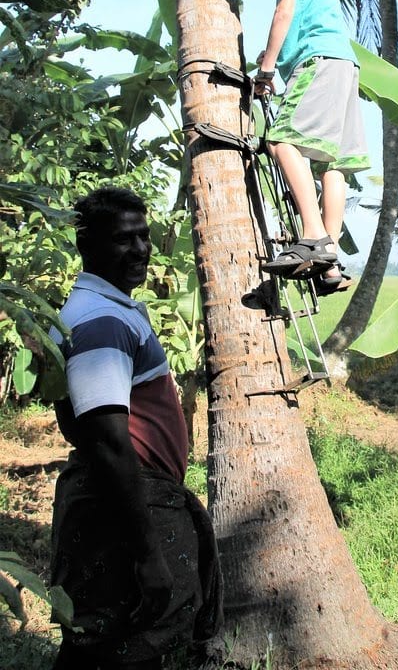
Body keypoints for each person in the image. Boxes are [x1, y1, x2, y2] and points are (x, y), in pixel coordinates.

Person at [49, 186, 222, 670]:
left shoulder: (108, 310)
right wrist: (148, 553)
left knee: (107, 642)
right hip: (130, 499)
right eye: (125, 240)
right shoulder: (102, 322)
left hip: (136, 492)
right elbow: (105, 440)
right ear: (89, 247)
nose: (141, 250)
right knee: (133, 642)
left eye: (144, 237)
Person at [242, 0, 370, 294]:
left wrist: (265, 70)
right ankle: (329, 262)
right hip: (343, 63)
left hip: (318, 61)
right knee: (332, 163)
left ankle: (312, 235)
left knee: (281, 141)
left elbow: (285, 12)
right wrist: (273, 55)